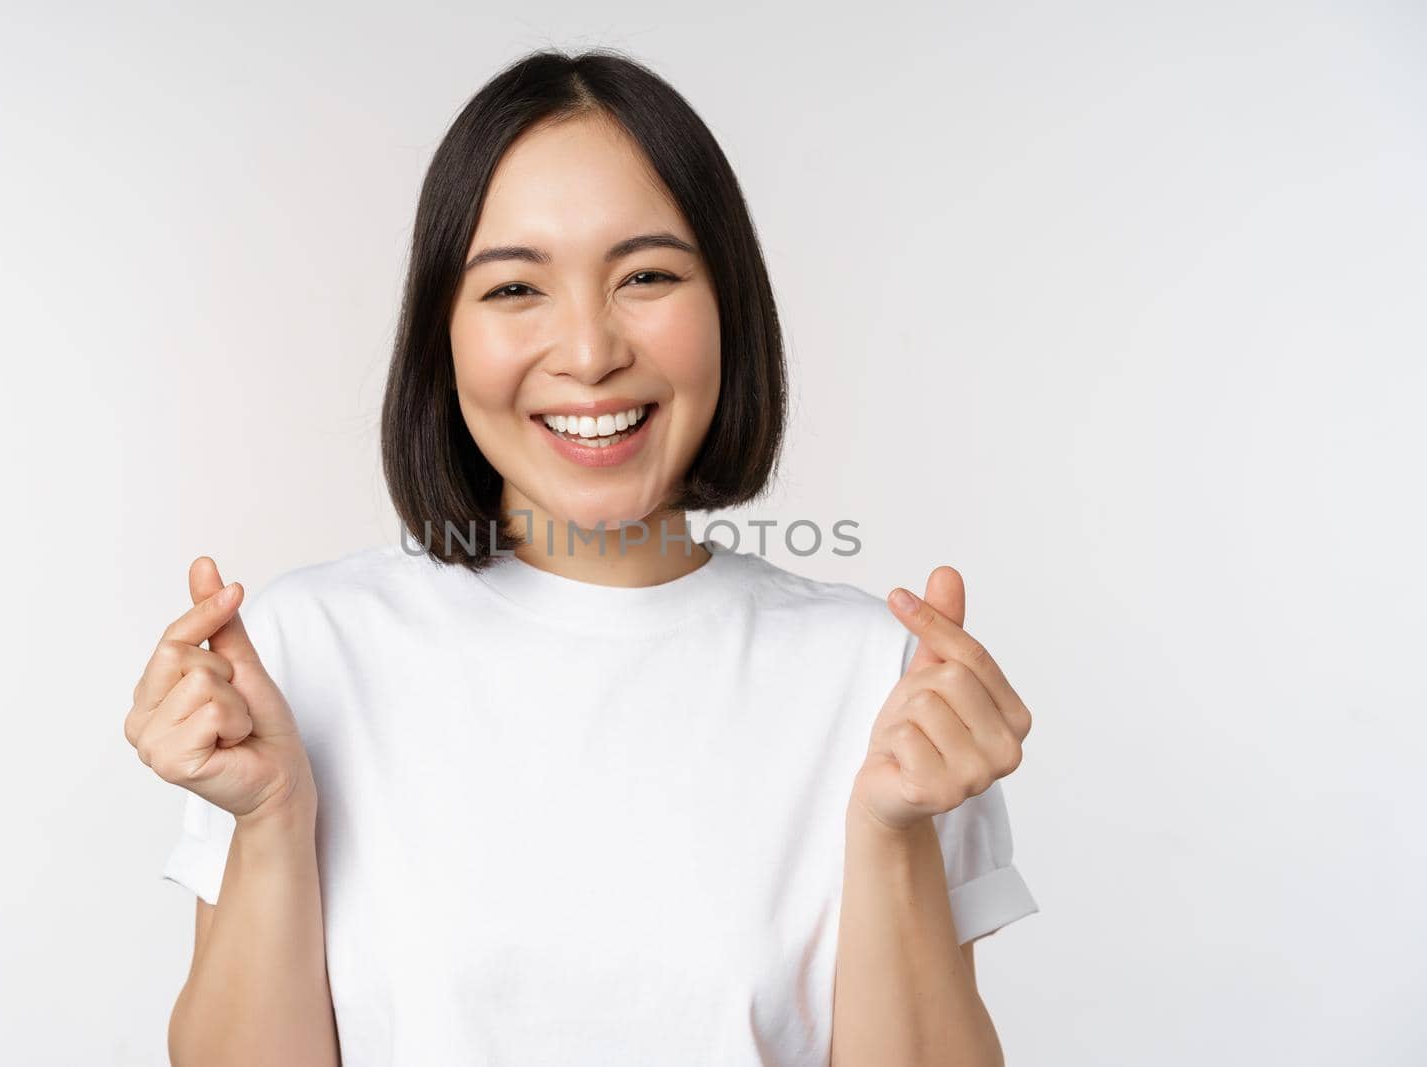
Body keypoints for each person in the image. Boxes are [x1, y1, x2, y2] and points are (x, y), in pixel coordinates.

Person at [126, 47, 1038, 1067]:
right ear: (445, 338)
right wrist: (272, 819)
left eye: (646, 275)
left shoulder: (882, 680)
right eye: (516, 287)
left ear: (729, 304)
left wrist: (891, 834)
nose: (591, 350)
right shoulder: (302, 653)